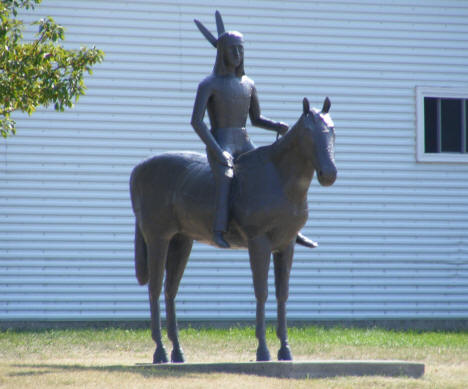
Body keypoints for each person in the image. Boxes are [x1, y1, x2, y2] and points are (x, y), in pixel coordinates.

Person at [191, 14, 287, 248]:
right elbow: (197, 122)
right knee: (226, 177)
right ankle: (218, 229)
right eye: (232, 50)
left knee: (270, 170)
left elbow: (255, 118)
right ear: (222, 52)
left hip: (243, 140)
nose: (237, 55)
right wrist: (216, 150)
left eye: (240, 50)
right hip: (221, 140)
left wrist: (276, 126)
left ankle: (285, 226)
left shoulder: (248, 84)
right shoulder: (209, 84)